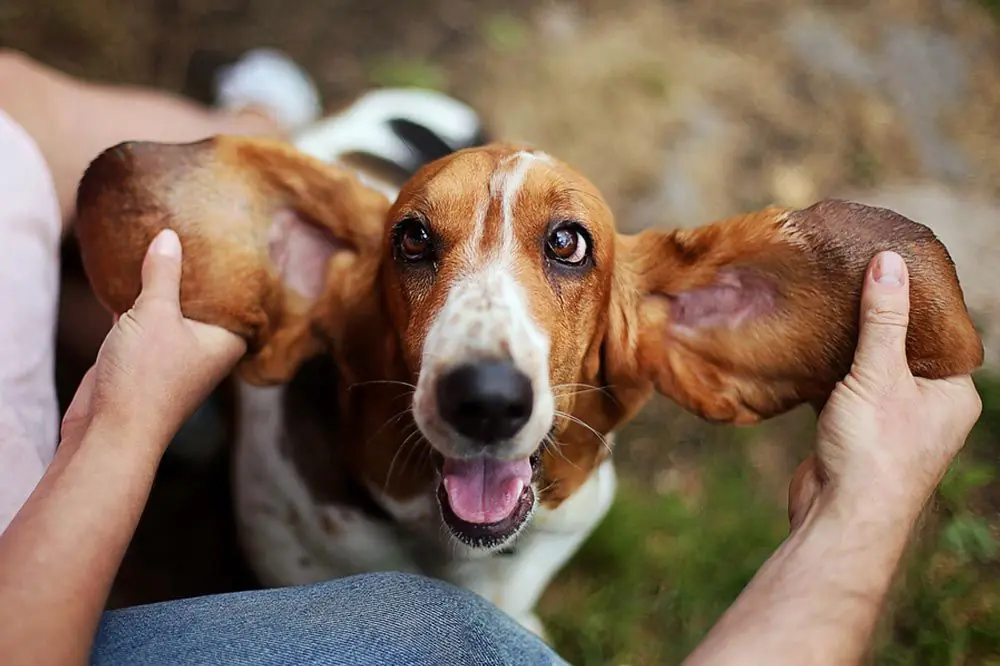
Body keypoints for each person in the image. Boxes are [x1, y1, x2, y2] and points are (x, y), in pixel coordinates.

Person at [0, 49, 983, 666]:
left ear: (641, 314)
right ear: (342, 280)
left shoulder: (639, 337)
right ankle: (275, 123)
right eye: (420, 250)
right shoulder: (331, 290)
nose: (484, 367)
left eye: (565, 251)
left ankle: (271, 114)